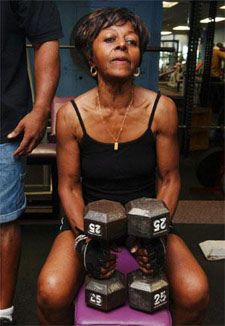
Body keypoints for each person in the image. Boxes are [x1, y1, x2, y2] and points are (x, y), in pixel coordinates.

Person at [37, 8, 209, 325]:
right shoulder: (70, 115)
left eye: (131, 41)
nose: (122, 46)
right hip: (88, 223)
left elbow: (169, 180)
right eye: (110, 39)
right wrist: (86, 241)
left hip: (146, 224)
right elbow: (69, 186)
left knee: (195, 291)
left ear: (139, 56)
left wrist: (154, 235)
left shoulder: (162, 109)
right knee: (50, 292)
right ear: (90, 56)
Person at [0, 1, 62, 324]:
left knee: (3, 221)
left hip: (4, 124)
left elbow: (46, 40)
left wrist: (40, 110)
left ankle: (3, 312)